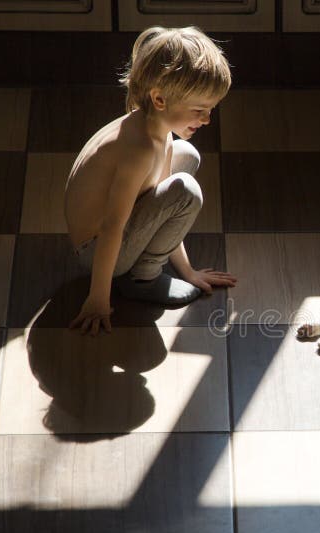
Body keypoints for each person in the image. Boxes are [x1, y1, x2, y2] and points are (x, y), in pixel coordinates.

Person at [65, 25, 236, 336]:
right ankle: (142, 279)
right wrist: (98, 298)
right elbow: (111, 227)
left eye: (211, 110)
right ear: (160, 99)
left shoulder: (151, 126)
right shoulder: (140, 150)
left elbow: (159, 198)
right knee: (186, 191)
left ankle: (145, 271)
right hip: (97, 252)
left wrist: (188, 272)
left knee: (188, 156)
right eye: (199, 110)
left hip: (107, 241)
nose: (207, 119)